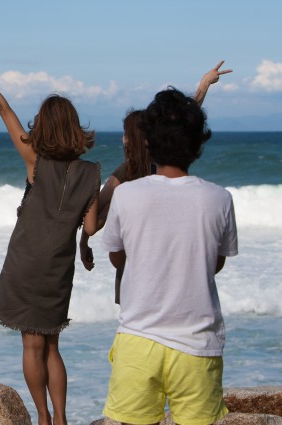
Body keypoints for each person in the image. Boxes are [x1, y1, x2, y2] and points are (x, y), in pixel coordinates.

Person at [0, 41, 100, 425]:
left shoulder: (35, 160)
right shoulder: (91, 173)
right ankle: (63, 418)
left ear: (44, 126)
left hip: (27, 262)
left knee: (31, 344)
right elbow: (92, 225)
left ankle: (44, 418)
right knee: (52, 344)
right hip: (60, 267)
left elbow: (4, 109)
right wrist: (83, 243)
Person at [100, 87, 238, 425]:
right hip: (197, 344)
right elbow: (216, 263)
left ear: (148, 142)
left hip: (137, 340)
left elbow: (117, 257)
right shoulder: (219, 199)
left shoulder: (127, 195)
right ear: (198, 145)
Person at [79, 61, 232, 304]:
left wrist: (84, 241)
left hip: (135, 274)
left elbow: (95, 218)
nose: (123, 139)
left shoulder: (126, 173)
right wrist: (204, 84)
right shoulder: (162, 161)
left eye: (126, 134)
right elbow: (183, 122)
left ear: (136, 139)